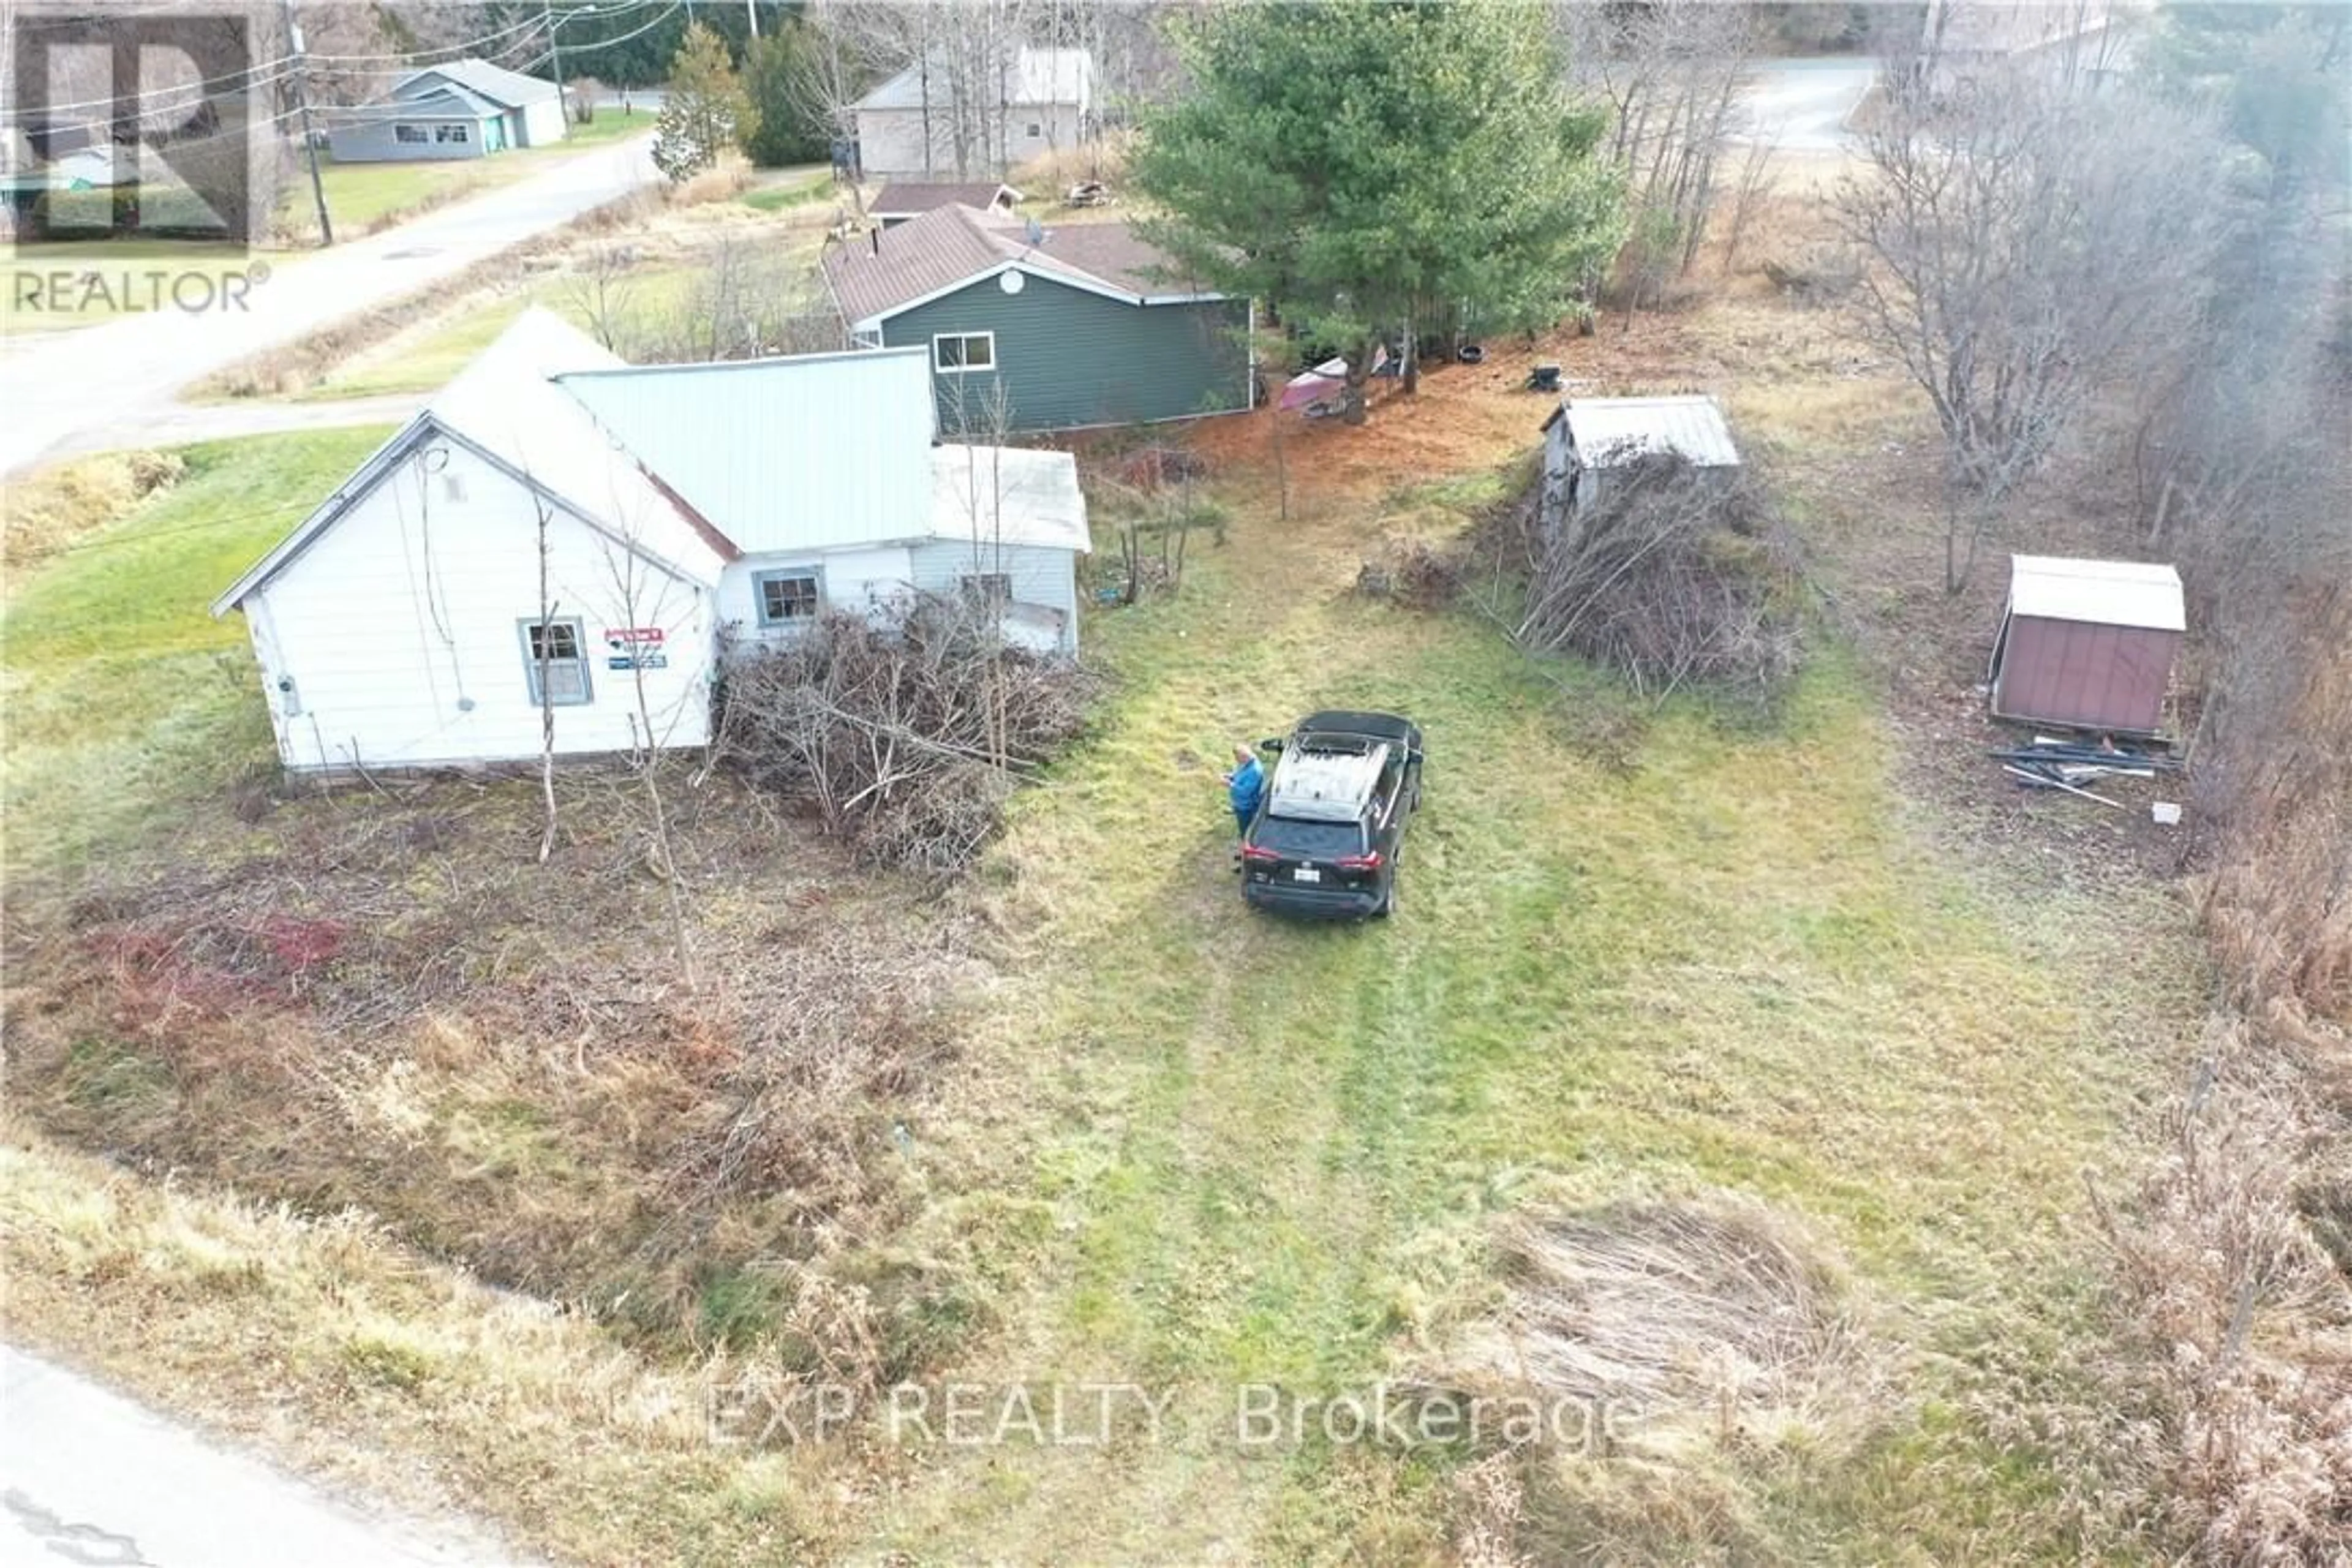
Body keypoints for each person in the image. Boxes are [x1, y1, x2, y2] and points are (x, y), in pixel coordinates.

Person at [1223, 744, 1265, 842]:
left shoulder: (1255, 770)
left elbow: (1246, 791)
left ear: (1244, 757)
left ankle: (1245, 846)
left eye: (1238, 759)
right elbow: (1239, 774)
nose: (1237, 761)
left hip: (1247, 807)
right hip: (1239, 804)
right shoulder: (1246, 763)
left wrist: (1230, 784)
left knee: (1246, 831)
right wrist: (1230, 776)